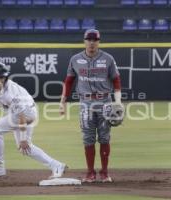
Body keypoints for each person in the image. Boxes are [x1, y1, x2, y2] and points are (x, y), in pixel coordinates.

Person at [59, 29, 122, 183]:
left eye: (95, 39)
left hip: (104, 103)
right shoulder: (75, 59)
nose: (92, 42)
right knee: (88, 139)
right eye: (89, 39)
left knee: (104, 138)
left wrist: (118, 102)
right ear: (84, 41)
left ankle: (105, 173)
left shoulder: (108, 58)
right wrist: (63, 102)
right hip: (85, 103)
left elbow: (116, 81)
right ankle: (90, 172)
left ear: (99, 41)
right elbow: (68, 81)